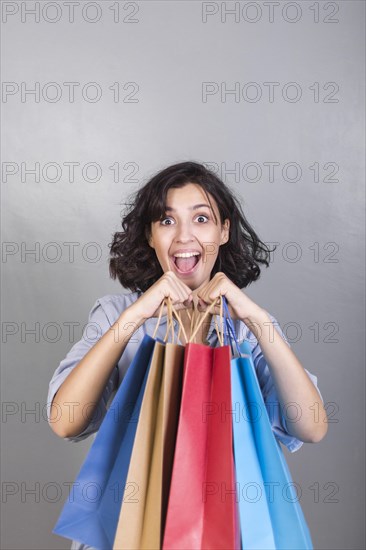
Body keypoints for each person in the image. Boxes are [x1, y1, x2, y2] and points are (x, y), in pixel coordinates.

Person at [47, 161, 327, 550]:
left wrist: (258, 319)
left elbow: (311, 427)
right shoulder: (117, 315)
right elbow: (65, 421)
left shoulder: (247, 327)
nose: (184, 236)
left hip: (228, 531)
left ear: (223, 230)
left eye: (201, 219)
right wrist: (135, 316)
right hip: (129, 527)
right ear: (149, 235)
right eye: (166, 221)